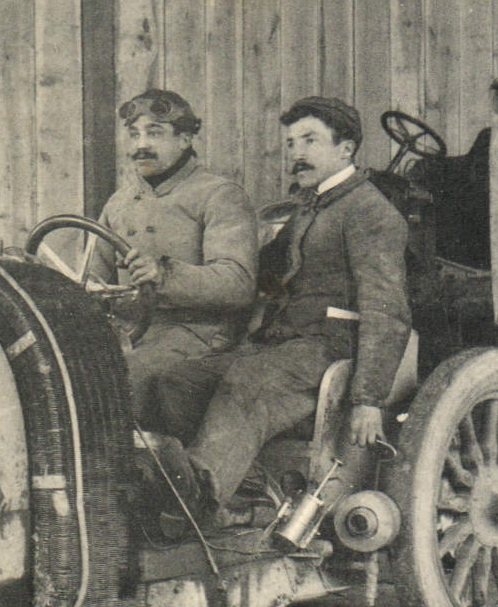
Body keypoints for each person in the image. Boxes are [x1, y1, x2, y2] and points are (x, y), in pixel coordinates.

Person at [145, 95, 411, 520]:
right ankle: (235, 491)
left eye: (310, 141)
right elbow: (262, 278)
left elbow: (387, 312)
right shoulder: (310, 206)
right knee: (177, 382)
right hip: (278, 347)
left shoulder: (370, 213)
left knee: (247, 381)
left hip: (327, 353)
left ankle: (192, 506)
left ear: (347, 149)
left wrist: (368, 399)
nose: (297, 153)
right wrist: (170, 273)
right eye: (291, 143)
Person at [82, 89, 258, 436]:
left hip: (197, 335)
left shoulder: (219, 195)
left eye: (155, 133)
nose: (141, 145)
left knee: (117, 383)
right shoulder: (118, 204)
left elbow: (238, 283)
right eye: (134, 134)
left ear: (186, 138)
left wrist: (163, 276)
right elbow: (93, 279)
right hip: (128, 334)